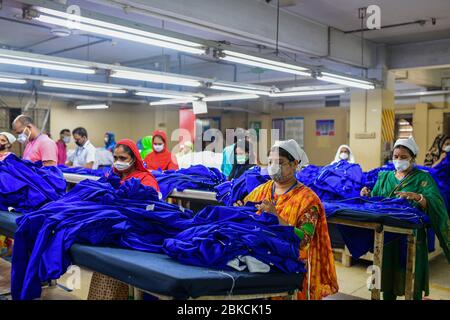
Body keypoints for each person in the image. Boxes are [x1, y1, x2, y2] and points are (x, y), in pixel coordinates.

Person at [234, 140, 338, 300]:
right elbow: (246, 221)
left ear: (294, 164)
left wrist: (276, 216)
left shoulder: (308, 200)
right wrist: (239, 210)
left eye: (280, 162)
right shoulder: (262, 191)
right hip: (258, 262)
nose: (273, 166)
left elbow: (304, 239)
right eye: (270, 162)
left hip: (290, 267)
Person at [360, 136, 450, 300]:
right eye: (396, 157)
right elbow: (376, 200)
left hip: (412, 239)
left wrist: (418, 197)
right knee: (386, 276)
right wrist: (367, 194)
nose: (399, 160)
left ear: (412, 158)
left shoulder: (423, 178)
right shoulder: (385, 177)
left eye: (403, 157)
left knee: (411, 277)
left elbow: (437, 203)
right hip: (387, 236)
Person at [88, 139, 159, 300]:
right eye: (115, 158)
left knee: (108, 278)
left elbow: (149, 210)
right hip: (109, 232)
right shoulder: (111, 177)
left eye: (123, 158)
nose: (117, 162)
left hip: (131, 232)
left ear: (133, 158)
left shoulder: (145, 179)